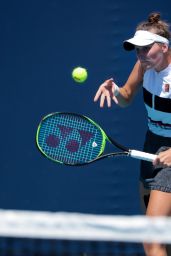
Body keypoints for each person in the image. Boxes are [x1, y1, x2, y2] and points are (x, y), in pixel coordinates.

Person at [94, 12, 171, 256]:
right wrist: (115, 90)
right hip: (152, 145)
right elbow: (127, 96)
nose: (140, 55)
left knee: (151, 238)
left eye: (146, 49)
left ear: (164, 47)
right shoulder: (144, 64)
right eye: (137, 50)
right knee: (160, 236)